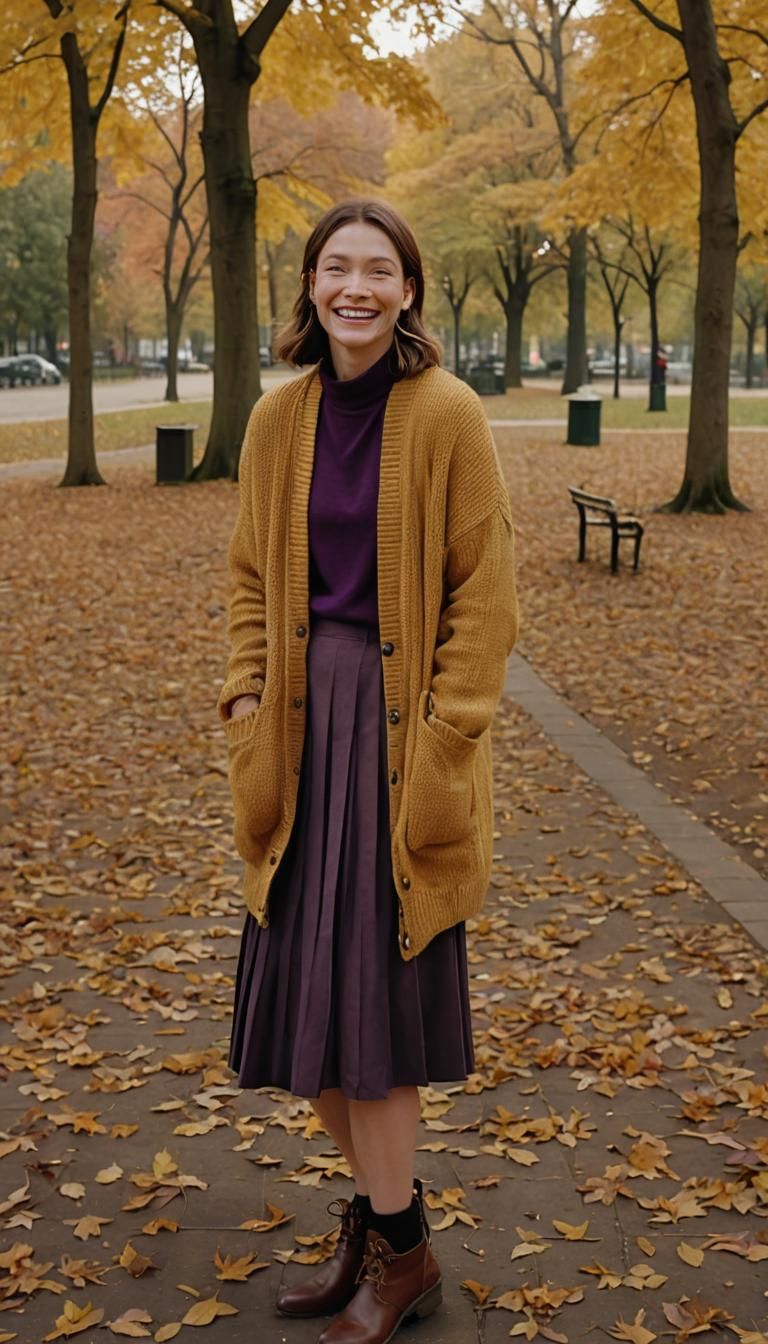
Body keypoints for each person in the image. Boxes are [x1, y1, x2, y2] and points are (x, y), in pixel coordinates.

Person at [217, 198, 518, 1344]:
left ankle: (396, 1251)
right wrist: (246, 693)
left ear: (408, 291)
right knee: (310, 1013)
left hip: (400, 752)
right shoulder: (274, 419)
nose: (354, 286)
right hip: (300, 745)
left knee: (376, 1019)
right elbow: (249, 573)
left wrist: (444, 740)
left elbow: (486, 601)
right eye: (335, 267)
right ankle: (397, 1236)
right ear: (309, 285)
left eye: (377, 270)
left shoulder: (447, 415)